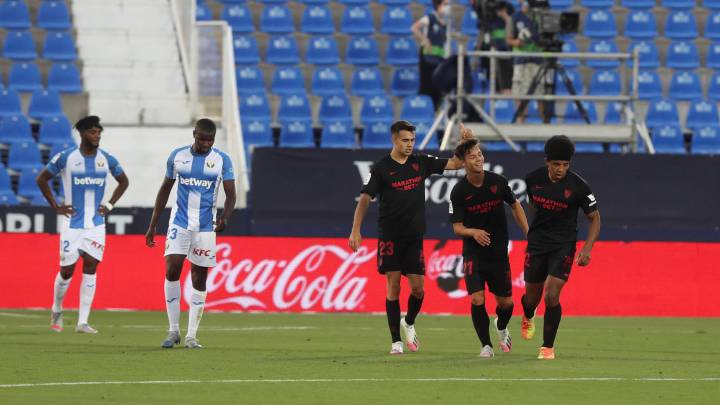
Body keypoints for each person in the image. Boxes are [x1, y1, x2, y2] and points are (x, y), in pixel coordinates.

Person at [348, 120, 472, 355]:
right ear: (394, 140)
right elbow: (365, 199)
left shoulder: (420, 162)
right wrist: (356, 230)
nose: (409, 145)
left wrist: (464, 143)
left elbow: (456, 163)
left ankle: (410, 322)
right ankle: (396, 341)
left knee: (418, 289)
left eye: (412, 140)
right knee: (393, 285)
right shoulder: (381, 168)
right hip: (390, 236)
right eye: (405, 140)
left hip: (414, 236)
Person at [144, 118, 236, 349]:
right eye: (202, 139)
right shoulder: (177, 156)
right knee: (172, 269)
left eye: (210, 140)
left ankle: (191, 335)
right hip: (180, 222)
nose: (206, 144)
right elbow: (165, 189)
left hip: (206, 226)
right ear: (194, 134)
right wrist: (153, 224)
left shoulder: (222, 160)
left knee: (199, 277)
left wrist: (225, 216)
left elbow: (231, 194)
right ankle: (173, 330)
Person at [37, 116, 129, 334]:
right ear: (82, 133)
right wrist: (55, 206)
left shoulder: (106, 159)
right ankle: (57, 308)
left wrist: (109, 204)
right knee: (67, 271)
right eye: (92, 132)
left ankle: (83, 322)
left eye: (99, 132)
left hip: (96, 225)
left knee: (91, 267)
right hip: (72, 224)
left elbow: (124, 181)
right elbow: (42, 179)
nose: (96, 136)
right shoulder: (66, 157)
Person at [520, 135, 601, 360]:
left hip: (563, 245)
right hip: (537, 245)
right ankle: (528, 314)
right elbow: (532, 206)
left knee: (552, 294)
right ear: (547, 161)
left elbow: (595, 218)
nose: (560, 170)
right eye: (556, 164)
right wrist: (532, 231)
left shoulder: (580, 186)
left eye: (565, 165)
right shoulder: (532, 179)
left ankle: (547, 348)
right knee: (531, 298)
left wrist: (587, 248)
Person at [449, 138, 528, 358]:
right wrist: (473, 232)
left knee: (506, 303)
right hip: (474, 253)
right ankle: (486, 345)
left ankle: (501, 326)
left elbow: (515, 205)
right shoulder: (458, 192)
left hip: (498, 252)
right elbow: (457, 227)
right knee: (477, 298)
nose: (479, 159)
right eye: (473, 156)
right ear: (464, 162)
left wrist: (528, 233)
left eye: (480, 155)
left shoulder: (498, 182)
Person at [503, 0, 543, 122]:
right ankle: (521, 122)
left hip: (537, 61)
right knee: (520, 95)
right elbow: (508, 39)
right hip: (520, 61)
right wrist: (517, 42)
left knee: (541, 94)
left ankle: (545, 124)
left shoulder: (540, 17)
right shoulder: (515, 18)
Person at [412, 0, 450, 110]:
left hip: (439, 60)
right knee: (426, 86)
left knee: (438, 89)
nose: (447, 7)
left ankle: (434, 111)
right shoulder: (430, 18)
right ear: (438, 5)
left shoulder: (444, 23)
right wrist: (425, 39)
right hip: (427, 58)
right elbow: (414, 28)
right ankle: (422, 111)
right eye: (445, 4)